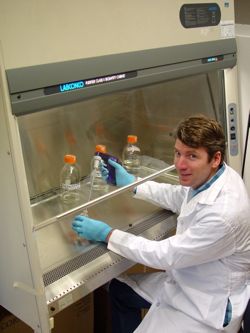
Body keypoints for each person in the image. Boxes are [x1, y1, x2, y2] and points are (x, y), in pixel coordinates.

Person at [72, 115, 250, 333]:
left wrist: (108, 234)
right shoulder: (215, 175)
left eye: (192, 156)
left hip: (206, 307)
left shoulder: (223, 214)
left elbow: (163, 255)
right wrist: (133, 184)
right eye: (178, 153)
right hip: (188, 281)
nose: (180, 164)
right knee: (119, 290)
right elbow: (180, 195)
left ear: (215, 158)